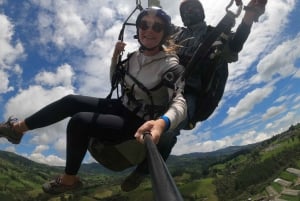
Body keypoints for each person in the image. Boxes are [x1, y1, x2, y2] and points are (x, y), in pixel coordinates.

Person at [0, 7, 187, 195]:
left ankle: (68, 180)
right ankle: (16, 130)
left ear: (164, 33)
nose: (149, 30)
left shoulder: (169, 64)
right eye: (144, 24)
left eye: (157, 27)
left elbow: (180, 102)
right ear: (138, 28)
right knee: (71, 101)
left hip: (138, 121)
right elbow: (115, 80)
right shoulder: (134, 58)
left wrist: (163, 123)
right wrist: (115, 56)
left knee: (80, 121)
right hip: (121, 106)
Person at [121, 0, 267, 192]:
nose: (190, 12)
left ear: (202, 11)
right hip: (164, 85)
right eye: (186, 9)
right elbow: (157, 14)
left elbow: (235, 44)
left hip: (189, 91)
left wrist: (249, 15)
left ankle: (143, 170)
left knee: (169, 129)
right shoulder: (175, 33)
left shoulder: (215, 35)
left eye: (194, 8)